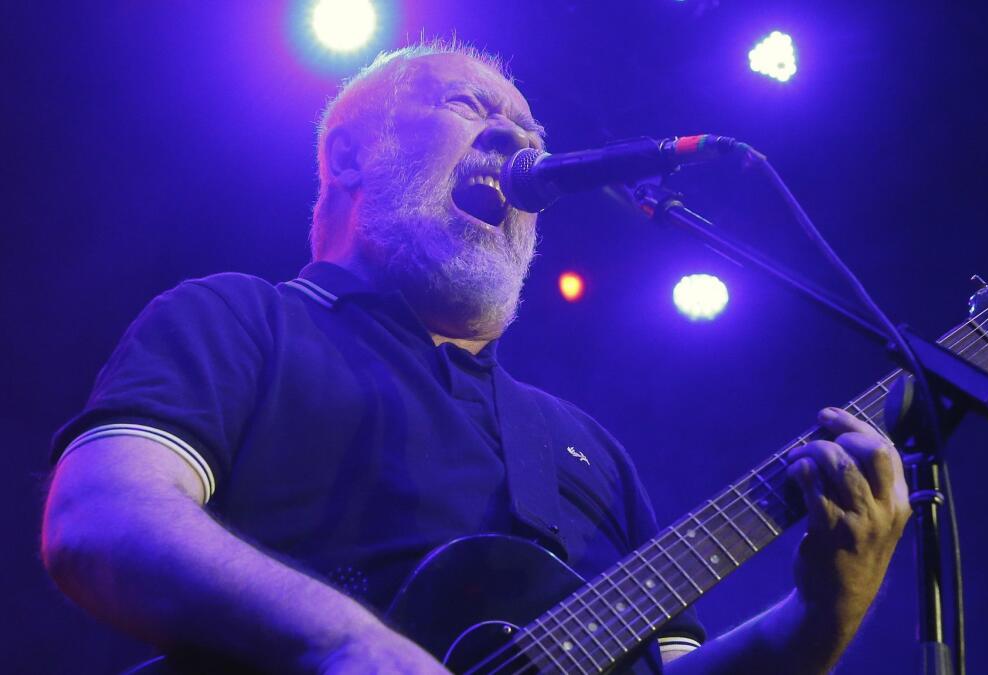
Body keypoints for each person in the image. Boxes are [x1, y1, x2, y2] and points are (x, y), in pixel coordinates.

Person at [41, 41, 912, 674]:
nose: (514, 142)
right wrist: (347, 640)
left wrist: (821, 616)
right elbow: (98, 516)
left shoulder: (585, 447)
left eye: (528, 130)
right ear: (349, 154)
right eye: (471, 108)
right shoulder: (238, 319)